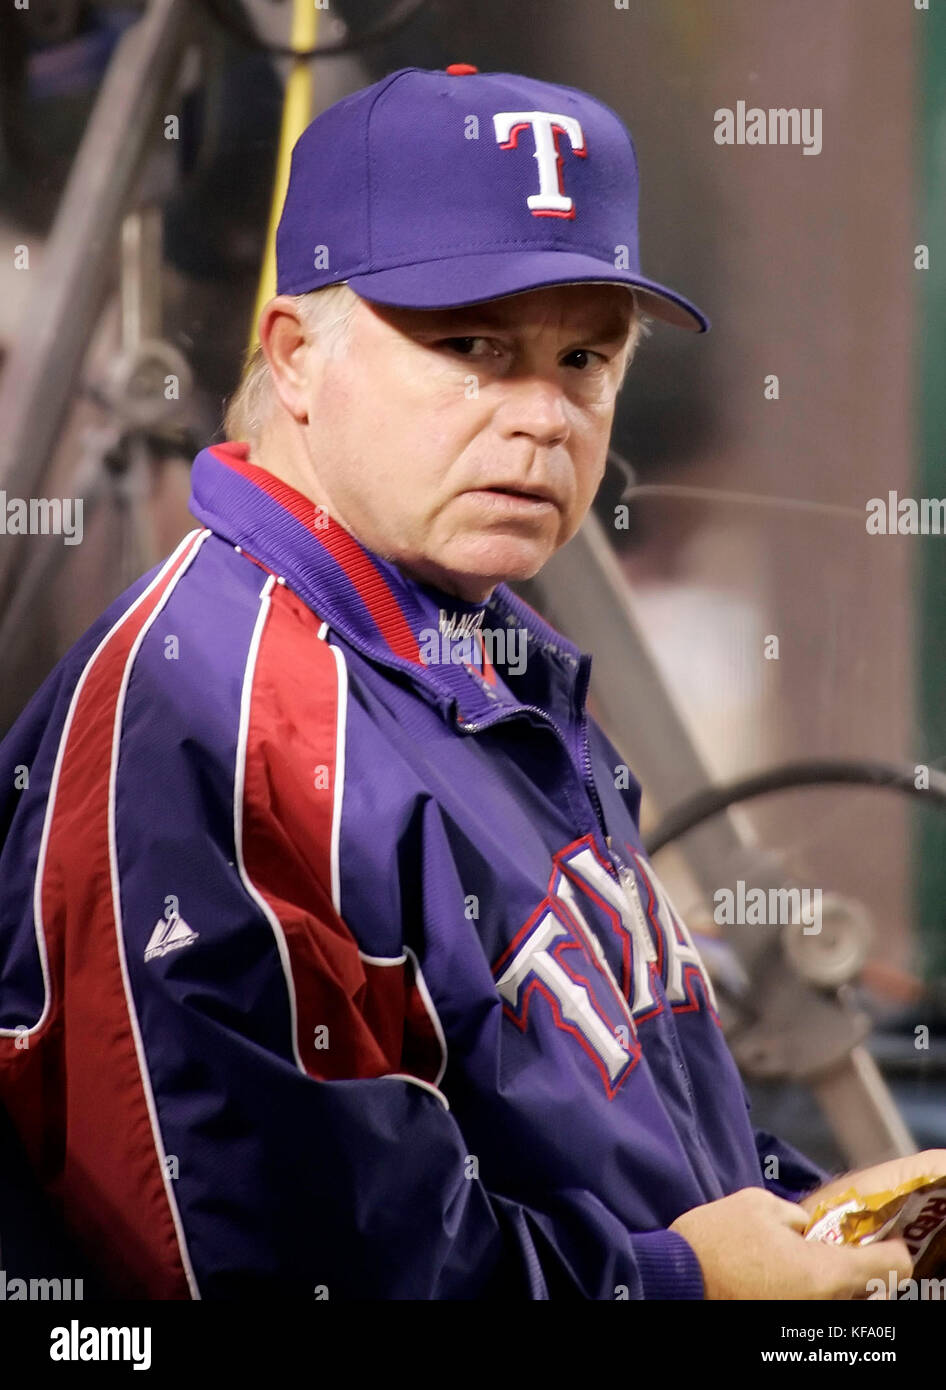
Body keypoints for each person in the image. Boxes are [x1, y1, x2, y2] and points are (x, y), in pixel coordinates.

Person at [0, 64, 932, 1300]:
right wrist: (680, 1286)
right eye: (473, 348)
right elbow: (269, 1277)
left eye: (585, 358)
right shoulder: (206, 711)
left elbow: (600, 1142)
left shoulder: (476, 651)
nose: (543, 416)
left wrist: (812, 1224)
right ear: (293, 357)